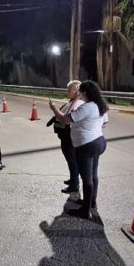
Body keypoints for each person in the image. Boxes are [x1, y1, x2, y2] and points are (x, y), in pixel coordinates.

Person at [48, 80, 108, 219]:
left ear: (85, 92)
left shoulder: (86, 107)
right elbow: (104, 123)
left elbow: (65, 120)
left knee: (87, 179)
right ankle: (91, 202)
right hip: (99, 141)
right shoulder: (99, 105)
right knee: (93, 174)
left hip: (87, 145)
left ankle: (85, 211)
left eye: (80, 91)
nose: (78, 94)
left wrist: (53, 108)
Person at [48, 80, 83, 195]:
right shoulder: (71, 101)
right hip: (65, 136)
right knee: (70, 159)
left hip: (70, 136)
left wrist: (54, 108)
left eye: (69, 90)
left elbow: (66, 118)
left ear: (77, 92)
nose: (67, 92)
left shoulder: (78, 103)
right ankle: (73, 179)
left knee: (72, 160)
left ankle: (74, 185)